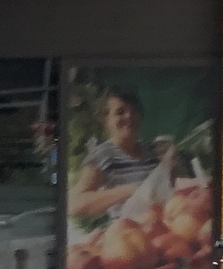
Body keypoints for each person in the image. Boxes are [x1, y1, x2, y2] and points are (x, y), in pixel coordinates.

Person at [69, 85, 170, 225]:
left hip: (164, 230)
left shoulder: (152, 150)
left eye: (133, 111)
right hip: (128, 236)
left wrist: (169, 165)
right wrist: (127, 191)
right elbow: (74, 205)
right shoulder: (103, 155)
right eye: (120, 112)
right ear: (106, 120)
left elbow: (165, 192)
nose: (129, 116)